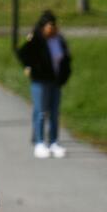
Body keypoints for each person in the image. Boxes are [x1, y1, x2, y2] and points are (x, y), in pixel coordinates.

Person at [16, 10, 72, 157]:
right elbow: (23, 54)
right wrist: (31, 67)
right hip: (40, 80)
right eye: (49, 25)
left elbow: (65, 58)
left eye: (54, 25)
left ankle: (54, 142)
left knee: (54, 113)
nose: (52, 28)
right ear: (43, 26)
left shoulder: (59, 39)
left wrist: (65, 75)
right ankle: (40, 143)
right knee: (41, 112)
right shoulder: (37, 39)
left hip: (55, 81)